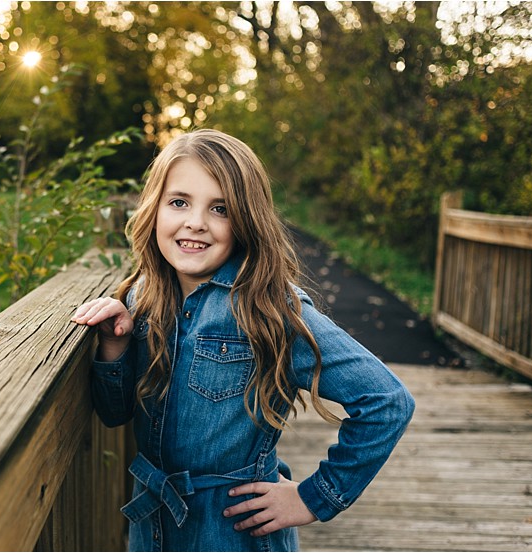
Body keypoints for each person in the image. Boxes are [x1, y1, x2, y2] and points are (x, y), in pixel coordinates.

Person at [70, 129, 415, 551]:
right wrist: (115, 345)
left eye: (220, 208)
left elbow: (387, 401)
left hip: (234, 533)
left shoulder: (269, 308)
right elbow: (113, 413)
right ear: (154, 209)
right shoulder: (144, 295)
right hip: (153, 528)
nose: (195, 221)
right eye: (179, 202)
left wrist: (313, 498)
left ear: (246, 221)